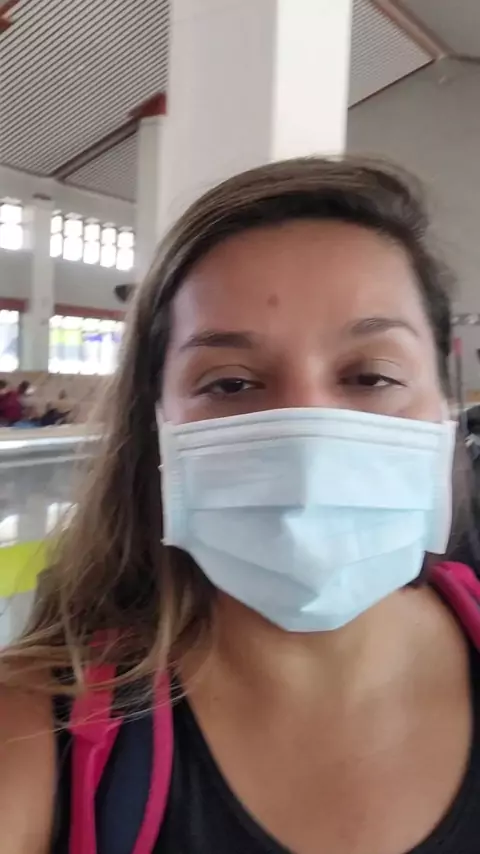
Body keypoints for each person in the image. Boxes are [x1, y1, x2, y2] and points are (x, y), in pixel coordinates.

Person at [0, 157, 479, 854]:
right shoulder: (33, 731)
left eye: (371, 375)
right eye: (230, 383)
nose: (308, 438)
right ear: (156, 424)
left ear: (445, 405)